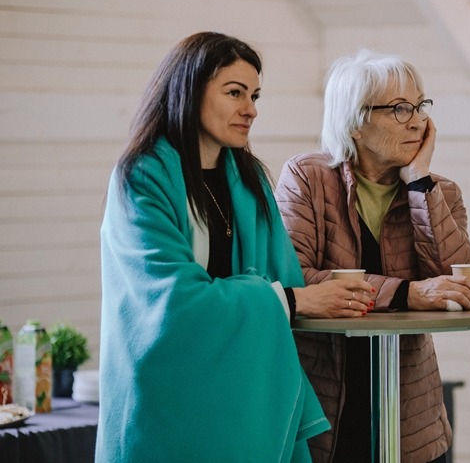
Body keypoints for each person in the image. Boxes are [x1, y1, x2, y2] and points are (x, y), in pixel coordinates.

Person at [97, 32, 372, 463]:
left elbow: (284, 277)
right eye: (235, 93)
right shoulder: (141, 178)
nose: (251, 109)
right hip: (168, 397)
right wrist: (289, 300)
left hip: (240, 391)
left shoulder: (250, 181)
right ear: (189, 89)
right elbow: (173, 301)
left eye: (255, 95)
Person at [274, 49, 470, 463]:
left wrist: (420, 184)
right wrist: (407, 293)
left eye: (421, 105)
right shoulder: (307, 178)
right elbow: (296, 277)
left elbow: (461, 285)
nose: (418, 120)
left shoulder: (441, 190)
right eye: (400, 109)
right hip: (323, 403)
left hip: (409, 409)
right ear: (355, 121)